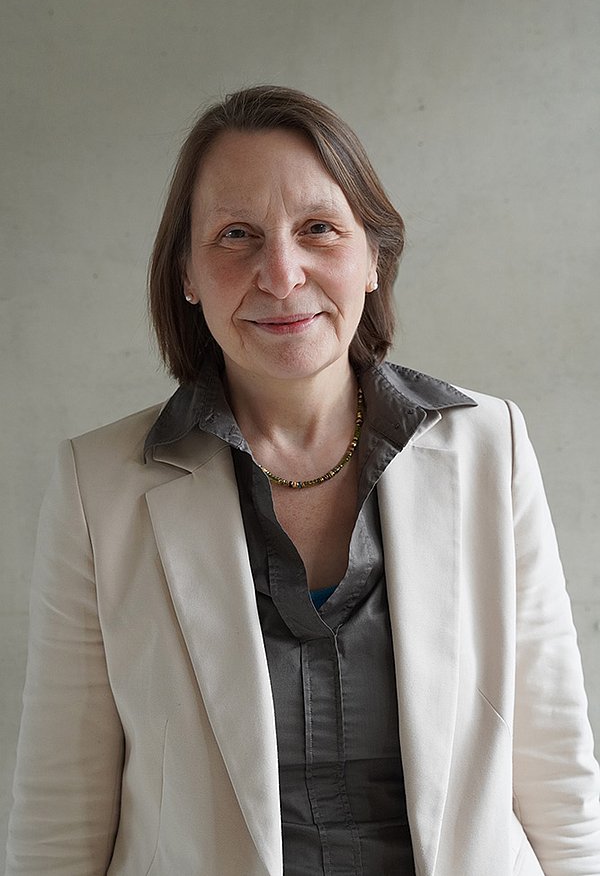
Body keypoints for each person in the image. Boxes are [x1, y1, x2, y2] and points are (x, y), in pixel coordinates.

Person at [5, 85, 600, 876]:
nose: (281, 275)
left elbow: (558, 778)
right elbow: (59, 819)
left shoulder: (493, 446)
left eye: (319, 228)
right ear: (186, 272)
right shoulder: (97, 488)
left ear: (372, 256)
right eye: (236, 235)